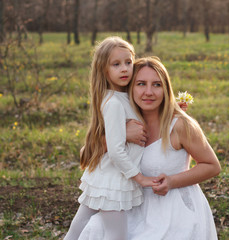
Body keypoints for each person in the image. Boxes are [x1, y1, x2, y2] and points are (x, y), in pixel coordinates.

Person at [79, 56, 221, 240]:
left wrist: (171, 181)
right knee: (96, 228)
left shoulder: (180, 125)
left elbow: (212, 166)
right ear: (130, 88)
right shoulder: (122, 118)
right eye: (140, 84)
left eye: (156, 85)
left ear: (166, 89)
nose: (148, 92)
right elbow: (85, 156)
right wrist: (121, 135)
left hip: (174, 210)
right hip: (134, 207)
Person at [64, 37, 158, 240]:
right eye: (116, 64)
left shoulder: (124, 96)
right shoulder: (114, 103)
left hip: (105, 175)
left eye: (128, 62)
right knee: (117, 235)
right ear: (103, 70)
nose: (124, 69)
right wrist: (139, 177)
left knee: (78, 226)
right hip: (115, 180)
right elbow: (115, 150)